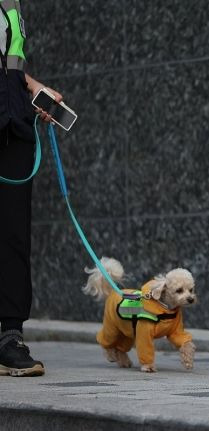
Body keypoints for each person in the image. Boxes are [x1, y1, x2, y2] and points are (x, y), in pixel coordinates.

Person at [0, 0, 63, 377]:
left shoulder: (11, 2)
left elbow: (11, 62)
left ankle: (10, 336)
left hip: (13, 118)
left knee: (13, 233)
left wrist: (34, 88)